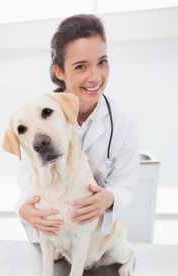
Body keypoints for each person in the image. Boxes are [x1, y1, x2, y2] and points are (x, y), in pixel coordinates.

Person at [16, 14, 139, 243]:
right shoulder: (37, 119)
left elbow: (125, 183)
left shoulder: (123, 124)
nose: (95, 77)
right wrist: (24, 210)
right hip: (54, 237)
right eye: (81, 66)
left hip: (89, 238)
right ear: (59, 72)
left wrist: (109, 198)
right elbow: (27, 182)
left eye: (102, 62)